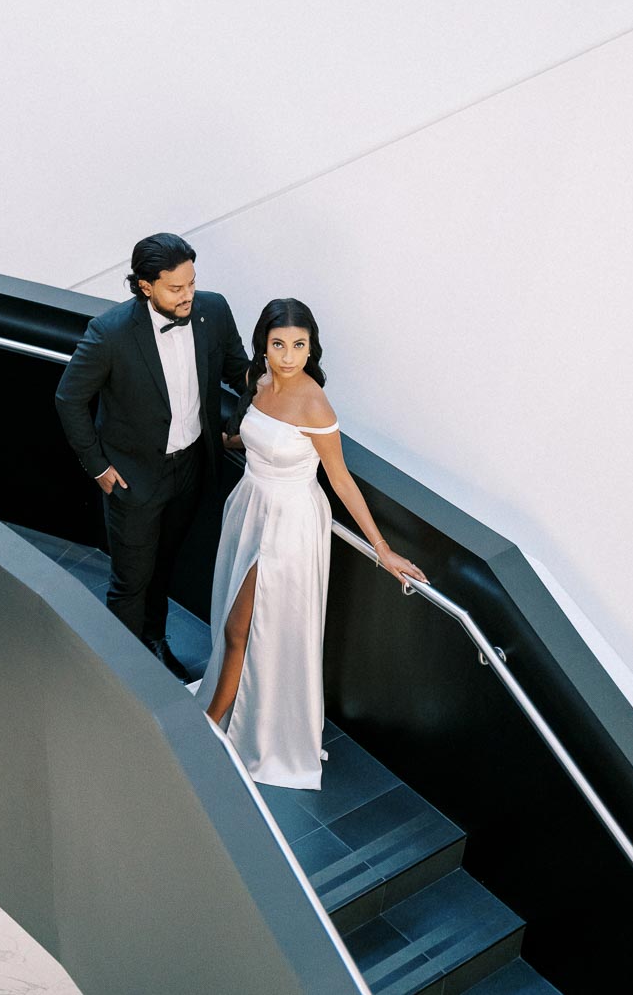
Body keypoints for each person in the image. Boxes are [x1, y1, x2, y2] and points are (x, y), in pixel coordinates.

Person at [194, 298, 428, 789]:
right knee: (238, 625)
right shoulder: (258, 383)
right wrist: (229, 440)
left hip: (289, 522)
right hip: (249, 508)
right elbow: (253, 434)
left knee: (250, 624)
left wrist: (383, 550)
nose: (288, 356)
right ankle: (227, 713)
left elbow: (340, 480)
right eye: (279, 345)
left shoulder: (314, 401)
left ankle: (213, 726)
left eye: (299, 346)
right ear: (264, 345)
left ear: (310, 348)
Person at [55, 233, 248, 679]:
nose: (188, 296)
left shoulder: (213, 310)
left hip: (192, 468)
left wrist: (239, 429)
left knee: (163, 565)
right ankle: (121, 682)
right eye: (176, 288)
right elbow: (68, 398)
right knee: (130, 583)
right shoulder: (110, 333)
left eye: (191, 284)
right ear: (145, 286)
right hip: (133, 477)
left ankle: (154, 643)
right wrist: (98, 467)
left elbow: (242, 373)